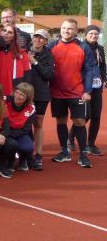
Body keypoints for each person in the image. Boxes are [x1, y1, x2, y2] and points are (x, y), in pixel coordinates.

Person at [48, 19, 97, 168]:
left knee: (80, 121)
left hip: (77, 92)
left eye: (70, 29)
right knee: (61, 121)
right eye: (64, 28)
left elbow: (89, 70)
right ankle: (64, 151)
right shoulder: (52, 46)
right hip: (57, 92)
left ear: (76, 31)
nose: (66, 31)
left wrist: (87, 90)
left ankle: (83, 155)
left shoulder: (83, 47)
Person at [25, 29, 55, 169]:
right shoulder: (24, 51)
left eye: (41, 38)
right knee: (24, 123)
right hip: (24, 93)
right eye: (36, 37)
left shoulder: (48, 55)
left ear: (46, 41)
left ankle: (38, 155)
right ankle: (26, 154)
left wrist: (34, 62)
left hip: (41, 94)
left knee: (37, 123)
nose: (38, 39)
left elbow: (49, 75)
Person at [82, 25, 105, 156]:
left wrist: (104, 79)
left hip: (97, 86)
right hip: (84, 86)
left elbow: (103, 65)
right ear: (86, 35)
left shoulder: (100, 48)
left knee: (96, 116)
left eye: (96, 34)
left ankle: (91, 144)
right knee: (85, 115)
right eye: (91, 33)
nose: (93, 36)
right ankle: (70, 138)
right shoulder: (81, 47)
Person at [0, 23, 31, 96]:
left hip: (13, 92)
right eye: (4, 30)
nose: (6, 33)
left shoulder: (21, 53)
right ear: (0, 32)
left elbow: (27, 76)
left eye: (10, 32)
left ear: (13, 37)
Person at [6, 83, 37, 172]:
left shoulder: (31, 108)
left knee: (28, 147)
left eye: (22, 95)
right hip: (6, 132)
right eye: (16, 92)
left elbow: (26, 128)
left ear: (27, 98)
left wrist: (15, 136)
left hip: (20, 133)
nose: (17, 96)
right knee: (11, 144)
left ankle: (23, 159)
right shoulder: (5, 101)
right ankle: (10, 160)